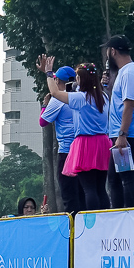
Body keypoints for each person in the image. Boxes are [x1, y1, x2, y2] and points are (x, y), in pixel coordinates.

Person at [40, 57, 111, 213]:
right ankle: (104, 218)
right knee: (100, 188)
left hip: (86, 143)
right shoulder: (103, 97)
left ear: (82, 80)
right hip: (103, 142)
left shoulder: (81, 98)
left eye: (78, 77)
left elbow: (55, 93)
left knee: (88, 188)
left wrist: (49, 73)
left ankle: (90, 220)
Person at [104, 35, 134, 209]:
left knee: (125, 177)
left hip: (126, 134)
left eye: (107, 51)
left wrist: (122, 134)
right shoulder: (124, 72)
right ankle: (119, 212)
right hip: (121, 133)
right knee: (114, 178)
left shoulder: (129, 73)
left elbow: (129, 105)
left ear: (113, 51)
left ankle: (129, 213)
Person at [38, 65, 80, 212]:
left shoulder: (58, 100)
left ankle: (73, 223)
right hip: (82, 149)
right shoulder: (81, 96)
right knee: (83, 191)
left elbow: (43, 121)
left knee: (68, 193)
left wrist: (45, 105)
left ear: (58, 81)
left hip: (67, 151)